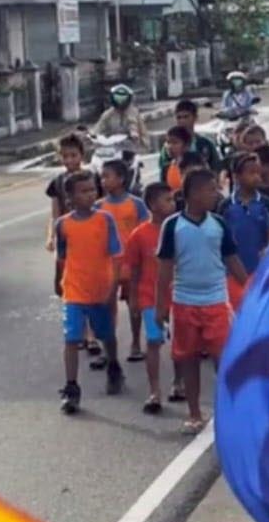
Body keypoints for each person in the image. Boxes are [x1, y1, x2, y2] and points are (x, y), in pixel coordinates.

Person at [156, 169, 250, 435]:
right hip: (184, 302)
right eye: (211, 189)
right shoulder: (173, 226)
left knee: (225, 358)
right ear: (194, 194)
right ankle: (195, 413)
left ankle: (230, 410)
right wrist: (161, 305)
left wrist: (253, 291)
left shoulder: (218, 224)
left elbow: (232, 260)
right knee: (188, 359)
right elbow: (164, 270)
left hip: (216, 302)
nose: (215, 194)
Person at [54, 171, 124, 414]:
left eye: (93, 190)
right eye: (84, 191)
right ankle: (71, 387)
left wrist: (114, 284)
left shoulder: (105, 220)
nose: (90, 195)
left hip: (100, 289)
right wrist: (58, 280)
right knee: (71, 338)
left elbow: (116, 255)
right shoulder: (63, 224)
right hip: (74, 290)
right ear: (70, 197)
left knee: (106, 335)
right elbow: (62, 257)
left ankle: (113, 364)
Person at [124, 182, 174, 415]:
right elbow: (133, 269)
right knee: (153, 341)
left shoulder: (178, 230)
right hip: (149, 297)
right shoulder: (139, 235)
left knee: (181, 346)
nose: (173, 204)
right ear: (153, 205)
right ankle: (154, 390)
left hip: (178, 296)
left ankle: (180, 383)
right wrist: (133, 297)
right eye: (168, 200)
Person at [96, 159, 150, 364]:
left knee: (134, 304)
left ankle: (136, 343)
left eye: (107, 176)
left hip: (130, 262)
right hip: (107, 263)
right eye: (102, 176)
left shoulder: (136, 204)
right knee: (106, 305)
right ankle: (106, 348)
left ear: (121, 179)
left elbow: (145, 231)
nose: (103, 181)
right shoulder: (98, 206)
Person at [220, 152, 269, 308]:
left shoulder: (265, 203)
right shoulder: (226, 206)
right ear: (237, 176)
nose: (257, 177)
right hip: (232, 273)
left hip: (260, 270)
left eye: (258, 173)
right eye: (251, 173)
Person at [159, 99, 223, 176]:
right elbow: (164, 171)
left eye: (186, 117)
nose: (182, 121)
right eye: (179, 117)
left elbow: (216, 168)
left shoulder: (206, 144)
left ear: (195, 117)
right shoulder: (168, 147)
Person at [92, 83, 148, 153]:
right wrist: (92, 135)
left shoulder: (133, 112)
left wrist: (133, 133)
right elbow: (99, 127)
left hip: (133, 148)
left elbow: (132, 124)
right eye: (118, 98)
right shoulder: (108, 114)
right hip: (112, 149)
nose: (120, 102)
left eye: (123, 98)